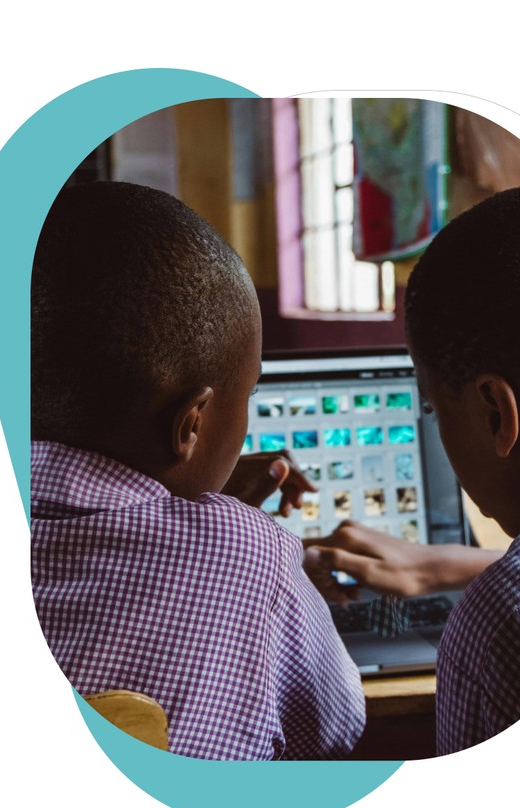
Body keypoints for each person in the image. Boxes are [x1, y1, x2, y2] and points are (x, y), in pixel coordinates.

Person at [31, 180, 365, 761]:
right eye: (250, 392)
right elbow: (337, 728)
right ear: (191, 424)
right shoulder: (251, 558)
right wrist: (239, 533)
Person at [305, 183, 520, 756]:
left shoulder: (516, 611)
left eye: (434, 408)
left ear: (495, 412)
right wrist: (452, 564)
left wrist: (501, 577)